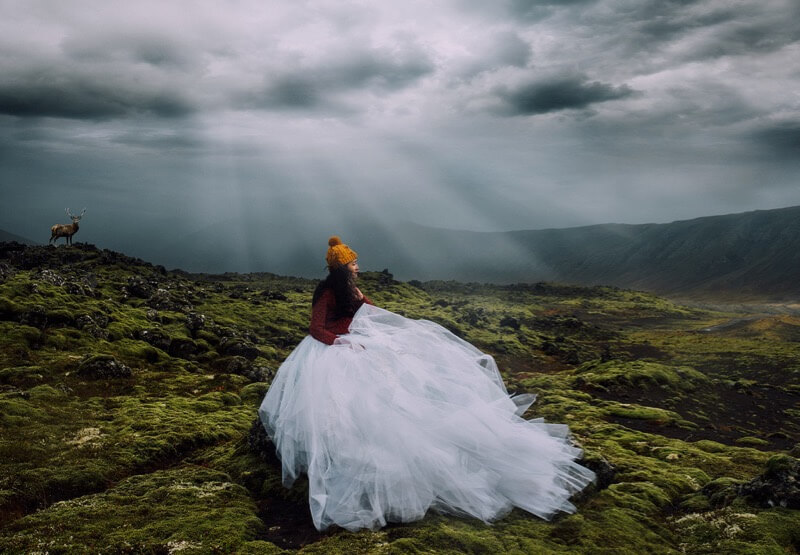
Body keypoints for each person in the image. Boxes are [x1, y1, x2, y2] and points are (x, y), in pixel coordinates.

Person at [258, 236, 595, 532]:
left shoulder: (348, 288)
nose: (359, 266)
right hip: (334, 351)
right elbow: (316, 329)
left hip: (356, 342)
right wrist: (341, 342)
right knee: (352, 409)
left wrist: (363, 301)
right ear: (343, 266)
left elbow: (367, 313)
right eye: (354, 262)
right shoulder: (327, 291)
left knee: (395, 394)